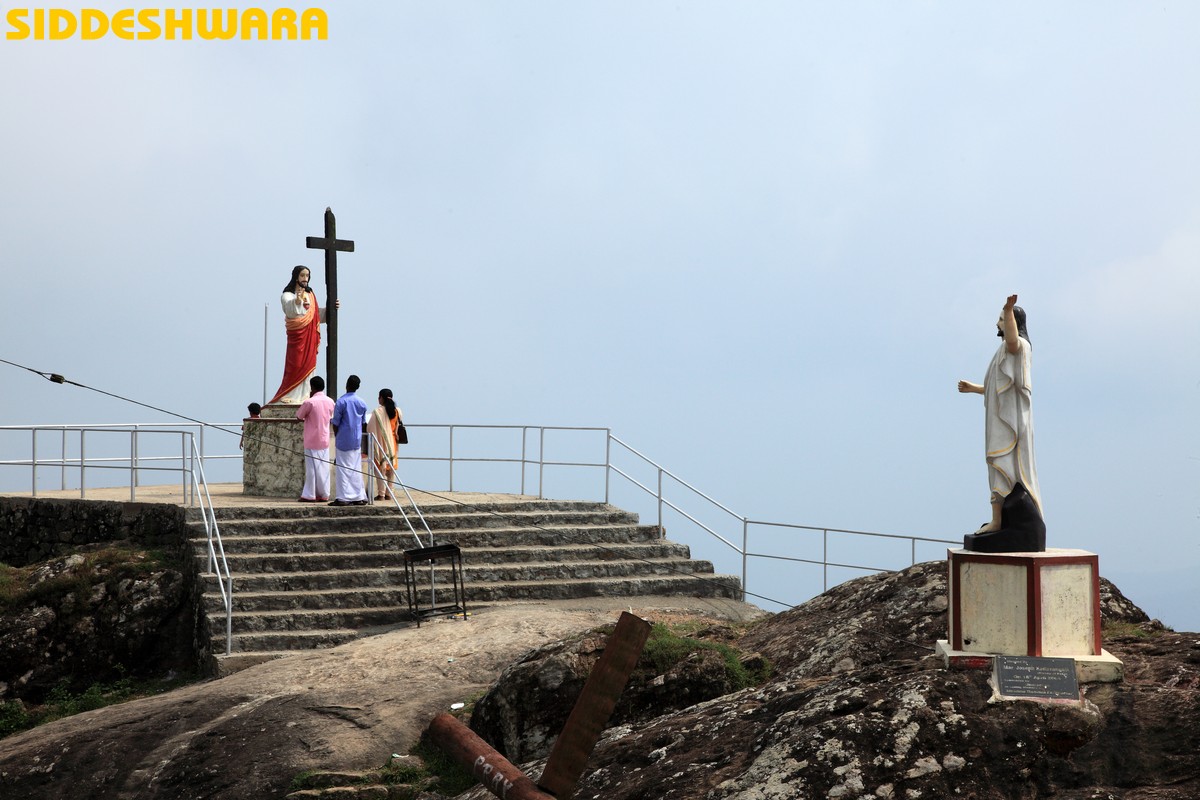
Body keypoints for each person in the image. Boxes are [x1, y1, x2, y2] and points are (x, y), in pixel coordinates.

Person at [957, 294, 1042, 533]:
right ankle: (998, 519)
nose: (998, 323)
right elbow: (998, 387)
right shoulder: (1002, 352)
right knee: (996, 467)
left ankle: (999, 521)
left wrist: (1008, 308)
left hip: (1012, 422)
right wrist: (974, 389)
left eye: (1002, 319)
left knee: (1004, 464)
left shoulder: (1018, 347)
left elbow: (1013, 340)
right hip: (1000, 418)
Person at [268, 265, 338, 405]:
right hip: (297, 338)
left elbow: (317, 315)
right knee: (295, 365)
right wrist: (297, 301)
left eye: (307, 276)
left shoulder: (310, 295)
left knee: (309, 365)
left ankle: (306, 394)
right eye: (302, 276)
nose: (305, 279)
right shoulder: (288, 295)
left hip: (309, 338)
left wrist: (331, 309)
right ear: (296, 277)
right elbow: (289, 310)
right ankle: (290, 394)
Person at [329, 374, 369, 506]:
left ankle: (343, 497)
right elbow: (363, 423)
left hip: (343, 439)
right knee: (355, 468)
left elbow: (335, 422)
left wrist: (337, 435)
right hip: (356, 440)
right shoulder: (362, 403)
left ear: (347, 385)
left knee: (343, 469)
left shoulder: (341, 402)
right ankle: (359, 496)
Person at [295, 376, 335, 502]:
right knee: (323, 467)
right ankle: (324, 493)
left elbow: (299, 416)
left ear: (312, 387)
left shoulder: (309, 402)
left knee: (311, 468)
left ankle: (309, 494)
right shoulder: (330, 401)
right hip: (324, 439)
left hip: (311, 439)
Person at [365, 388, 402, 501]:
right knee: (391, 470)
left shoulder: (378, 412)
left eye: (379, 397)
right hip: (393, 444)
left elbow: (369, 427)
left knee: (380, 468)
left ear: (382, 398)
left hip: (381, 442)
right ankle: (389, 493)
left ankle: (381, 494)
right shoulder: (397, 411)